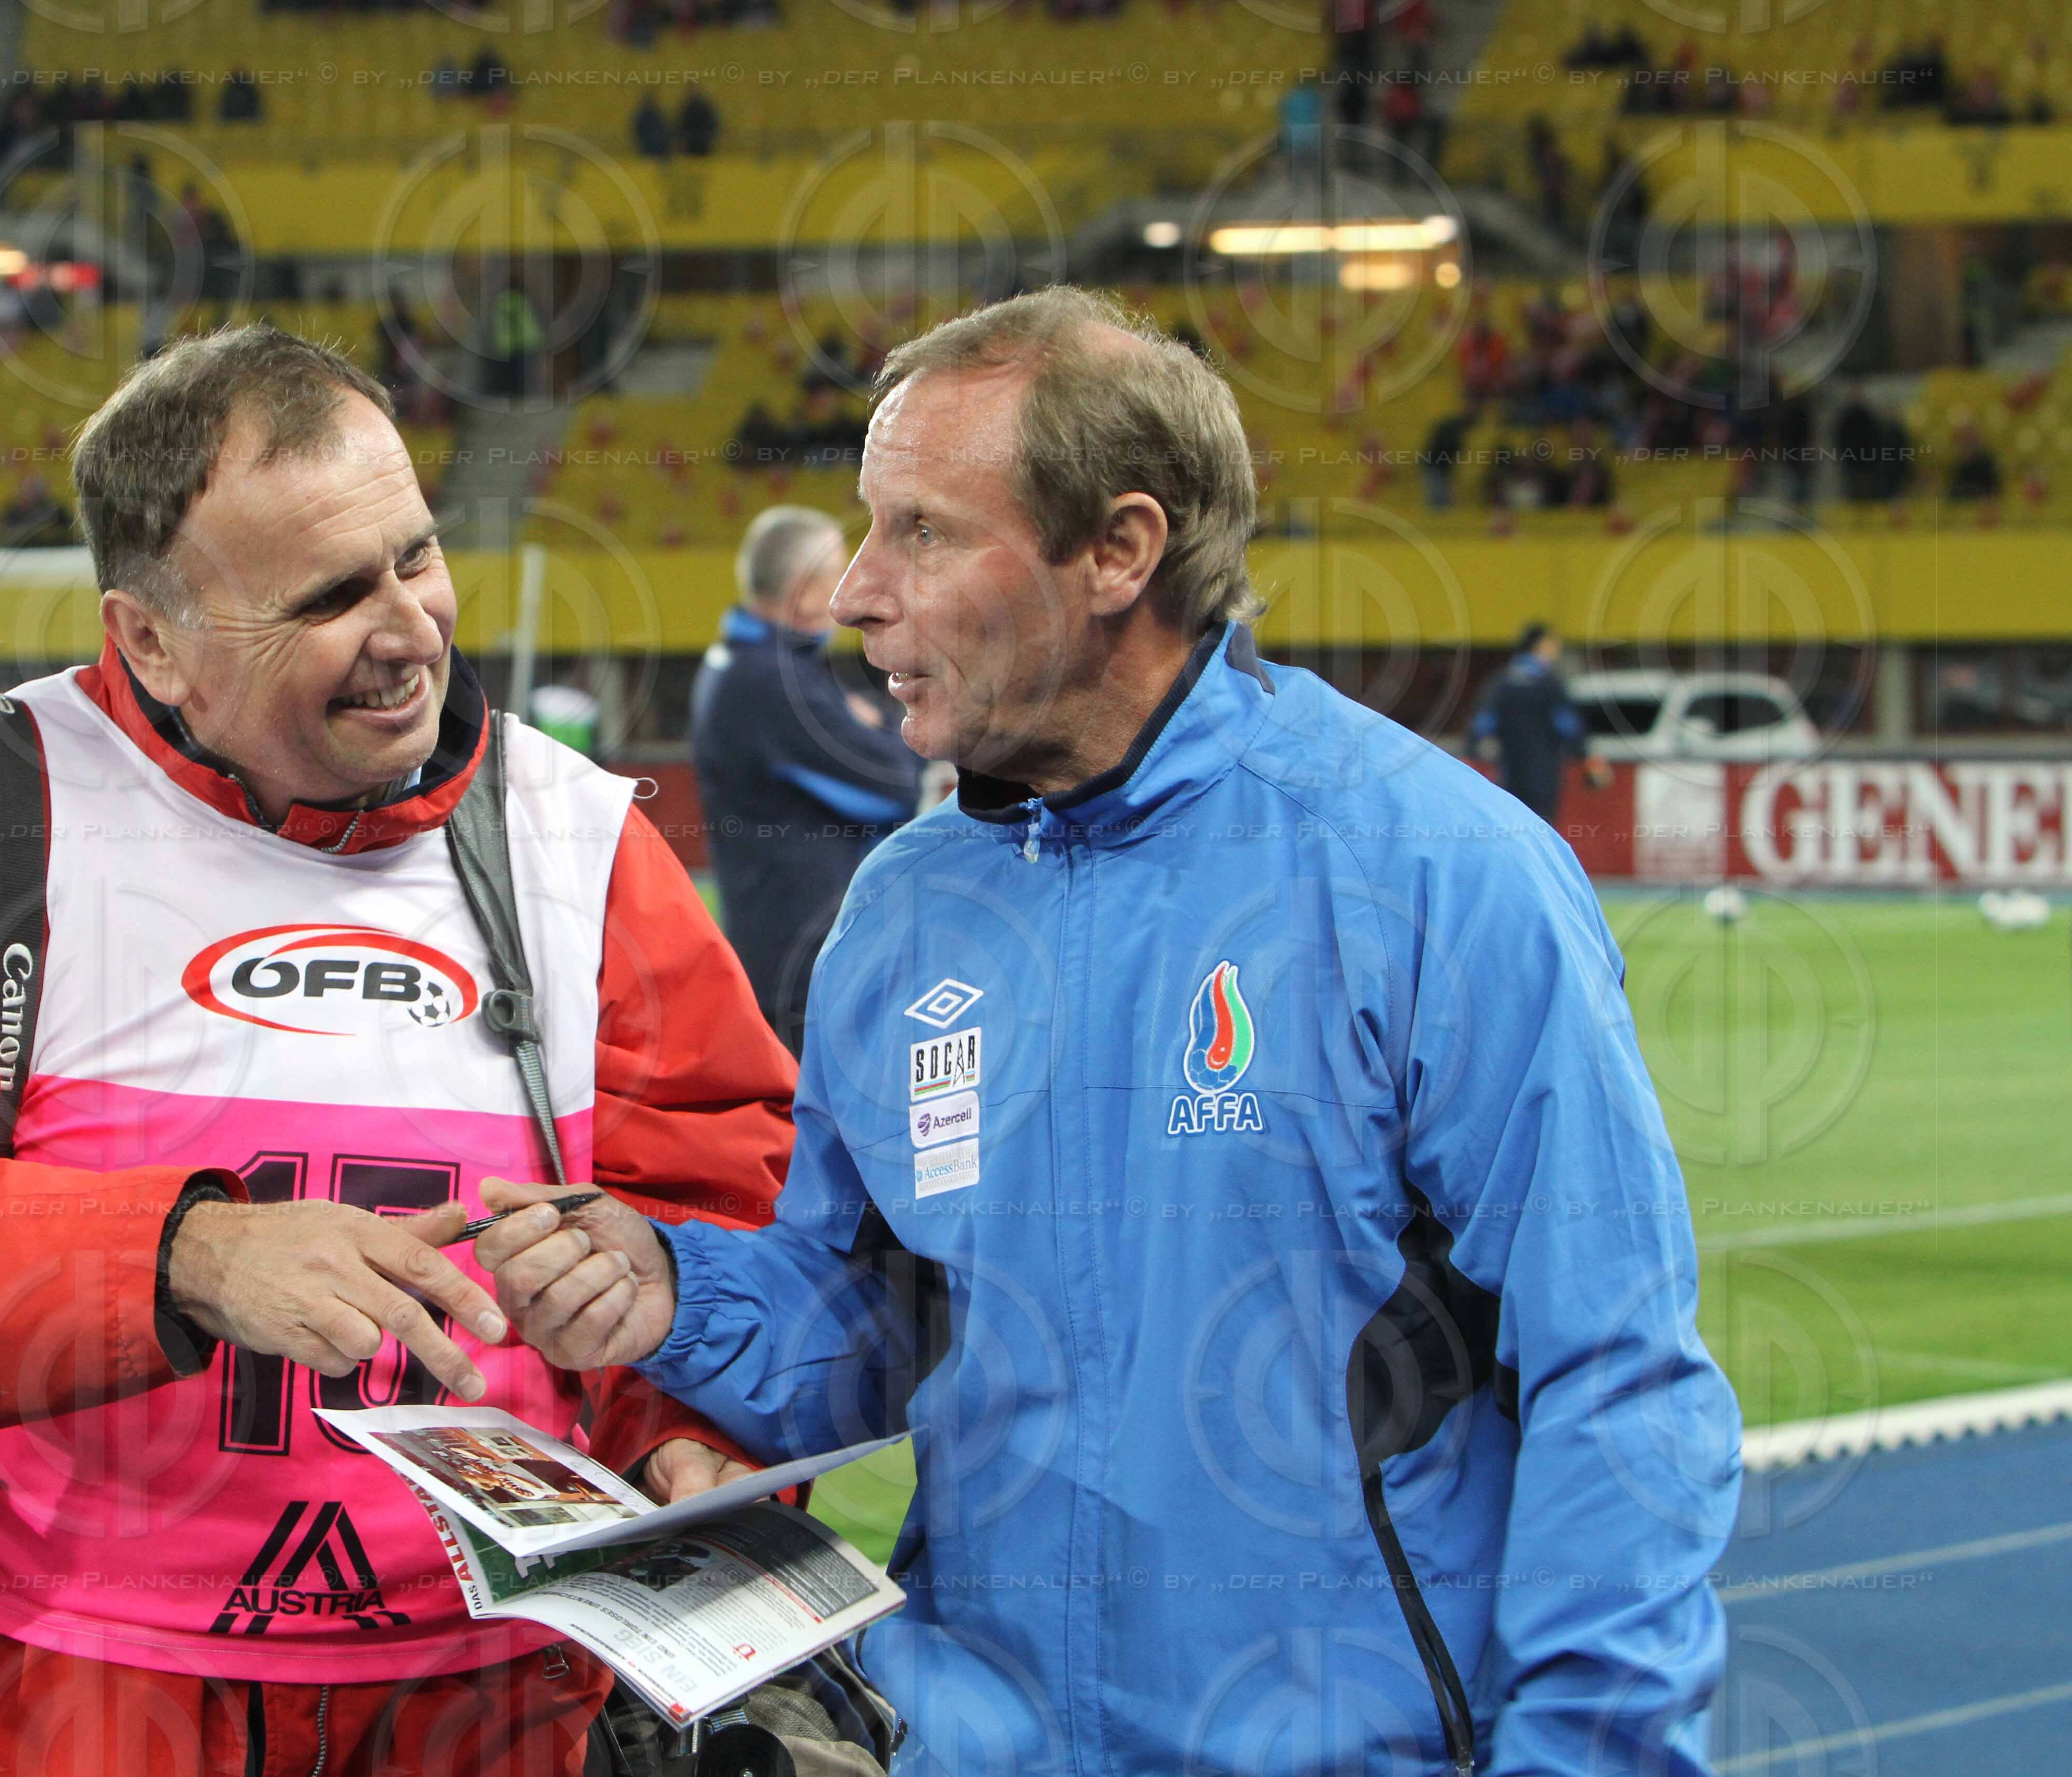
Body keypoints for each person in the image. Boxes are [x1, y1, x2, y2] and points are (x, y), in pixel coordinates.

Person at [477, 287, 1739, 1777]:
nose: (857, 592)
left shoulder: (1431, 872)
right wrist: (675, 1290)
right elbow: (872, 1324)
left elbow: (1619, 1375)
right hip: (969, 1745)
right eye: (865, 531)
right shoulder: (904, 912)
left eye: (924, 532)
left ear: (1119, 551)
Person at [0, 325, 795, 1775]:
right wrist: (185, 1255)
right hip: (53, 1699)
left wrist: (688, 1428)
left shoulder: (576, 837)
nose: (408, 627)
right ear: (150, 637)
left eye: (415, 555)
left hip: (496, 1712)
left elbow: (731, 1219)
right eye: (329, 596)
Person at [692, 505, 924, 1050]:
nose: (848, 593)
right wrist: (890, 725)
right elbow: (895, 785)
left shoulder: (741, 662)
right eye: (837, 575)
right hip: (803, 963)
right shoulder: (772, 680)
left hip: (779, 948)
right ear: (804, 587)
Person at [1466, 622, 1610, 825]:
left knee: (1512, 828)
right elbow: (1568, 727)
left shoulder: (1501, 683)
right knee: (1542, 830)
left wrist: (1471, 753)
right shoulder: (1550, 684)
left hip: (1509, 773)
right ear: (1540, 645)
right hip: (1544, 775)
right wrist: (1588, 758)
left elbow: (1483, 725)